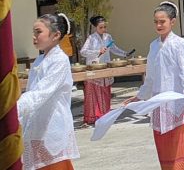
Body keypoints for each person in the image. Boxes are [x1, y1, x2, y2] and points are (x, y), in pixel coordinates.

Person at [123, 1, 184, 169]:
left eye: (162, 21)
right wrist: (139, 96)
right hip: (158, 103)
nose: (158, 25)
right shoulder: (153, 45)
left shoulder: (179, 43)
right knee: (163, 146)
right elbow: (150, 77)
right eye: (156, 21)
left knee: (179, 146)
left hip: (176, 102)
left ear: (173, 21)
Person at [18, 13, 79, 170]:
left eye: (38, 32)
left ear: (56, 35)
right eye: (34, 32)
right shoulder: (39, 60)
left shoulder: (59, 59)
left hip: (52, 128)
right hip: (37, 128)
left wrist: (15, 109)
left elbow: (40, 94)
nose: (34, 37)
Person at [80, 15, 131, 125]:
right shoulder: (91, 38)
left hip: (106, 67)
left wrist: (124, 53)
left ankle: (105, 116)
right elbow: (83, 52)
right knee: (93, 94)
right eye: (101, 27)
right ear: (95, 27)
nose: (103, 30)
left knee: (106, 93)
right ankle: (94, 117)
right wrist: (97, 51)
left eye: (104, 27)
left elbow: (113, 48)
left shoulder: (108, 37)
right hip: (95, 68)